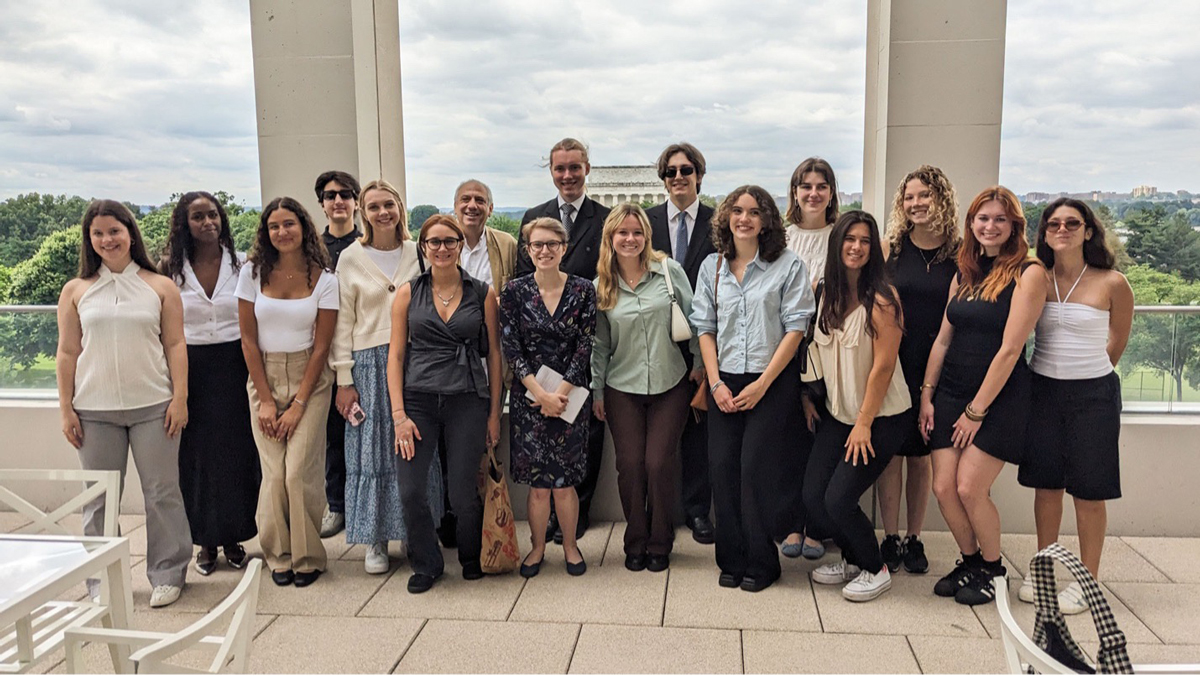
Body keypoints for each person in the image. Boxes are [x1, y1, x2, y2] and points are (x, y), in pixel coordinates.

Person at [56, 199, 192, 608]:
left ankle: (168, 573)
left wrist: (180, 398)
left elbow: (175, 344)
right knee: (98, 498)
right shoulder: (76, 291)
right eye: (97, 233)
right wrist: (66, 408)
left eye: (114, 230)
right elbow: (66, 352)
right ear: (89, 240)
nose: (106, 239)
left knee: (162, 492)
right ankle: (102, 581)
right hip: (94, 412)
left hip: (154, 405)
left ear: (130, 232)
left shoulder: (159, 286)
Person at [920, 186, 1047, 606]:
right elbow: (942, 340)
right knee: (943, 488)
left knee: (970, 487)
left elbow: (1011, 349)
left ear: (1013, 225)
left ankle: (993, 571)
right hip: (951, 392)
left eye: (999, 219)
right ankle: (971, 561)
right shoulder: (965, 272)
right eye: (982, 218)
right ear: (971, 224)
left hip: (999, 398)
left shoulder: (1029, 272)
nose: (989, 226)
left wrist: (976, 411)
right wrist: (927, 396)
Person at [691, 185, 815, 593]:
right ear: (727, 217)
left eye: (754, 212)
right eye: (737, 211)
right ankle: (731, 558)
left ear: (766, 221)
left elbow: (796, 327)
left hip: (771, 383)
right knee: (722, 469)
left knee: (755, 471)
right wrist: (714, 383)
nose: (744, 218)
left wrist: (764, 383)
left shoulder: (787, 266)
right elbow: (705, 329)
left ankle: (763, 561)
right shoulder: (712, 267)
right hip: (723, 380)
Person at [1016, 198, 1133, 614]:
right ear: (1043, 232)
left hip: (1093, 396)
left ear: (1088, 230)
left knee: (1089, 491)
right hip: (1043, 391)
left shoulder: (1112, 282)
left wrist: (1088, 376)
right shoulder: (1036, 278)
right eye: (1053, 223)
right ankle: (1044, 567)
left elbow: (1116, 342)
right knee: (1047, 486)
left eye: (1071, 223)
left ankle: (1087, 579)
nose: (1061, 229)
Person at [330, 179, 441, 575]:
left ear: (400, 208)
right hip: (366, 361)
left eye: (389, 205)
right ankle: (375, 538)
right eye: (374, 206)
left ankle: (414, 531)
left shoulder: (418, 252)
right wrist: (344, 378)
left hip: (415, 360)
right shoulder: (350, 257)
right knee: (370, 451)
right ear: (362, 211)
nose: (382, 213)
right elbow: (342, 320)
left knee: (415, 448)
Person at [387, 215, 503, 594]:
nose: (441, 248)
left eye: (449, 241)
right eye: (433, 242)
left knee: (462, 493)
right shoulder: (408, 292)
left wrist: (493, 414)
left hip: (467, 398)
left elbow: (495, 356)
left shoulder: (482, 293)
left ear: (459, 245)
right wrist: (399, 415)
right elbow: (396, 355)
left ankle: (470, 556)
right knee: (411, 489)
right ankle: (426, 563)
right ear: (423, 247)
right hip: (417, 400)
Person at [802, 211, 910, 603]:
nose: (857, 247)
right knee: (814, 496)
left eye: (865, 240)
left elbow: (883, 368)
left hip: (880, 417)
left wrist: (863, 423)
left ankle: (875, 567)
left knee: (839, 499)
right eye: (850, 239)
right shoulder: (823, 291)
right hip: (838, 413)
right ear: (837, 243)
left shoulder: (883, 299)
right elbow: (813, 350)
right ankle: (852, 558)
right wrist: (808, 399)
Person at [236, 197, 338, 588]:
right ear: (266, 232)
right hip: (263, 375)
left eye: (289, 224)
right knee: (274, 474)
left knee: (299, 473)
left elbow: (323, 346)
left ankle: (308, 555)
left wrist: (297, 404)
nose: (282, 232)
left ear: (304, 227)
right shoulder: (252, 274)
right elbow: (247, 339)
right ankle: (278, 554)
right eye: (274, 226)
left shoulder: (324, 279)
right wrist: (265, 398)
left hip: (309, 377)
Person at [161, 191, 259, 577]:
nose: (208, 223)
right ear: (185, 223)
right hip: (192, 367)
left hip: (235, 363)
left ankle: (235, 537)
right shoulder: (170, 270)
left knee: (236, 452)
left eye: (213, 215)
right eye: (198, 217)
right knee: (197, 458)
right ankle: (204, 541)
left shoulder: (244, 266)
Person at [517, 138, 610, 543]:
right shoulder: (534, 217)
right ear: (551, 172)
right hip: (539, 352)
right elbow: (523, 283)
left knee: (583, 434)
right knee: (544, 438)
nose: (568, 175)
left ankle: (578, 511)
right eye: (560, 168)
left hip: (583, 343)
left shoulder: (604, 218)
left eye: (575, 167)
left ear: (587, 168)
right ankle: (549, 517)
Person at [593, 204, 695, 572]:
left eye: (637, 232)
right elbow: (600, 344)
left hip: (671, 382)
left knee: (658, 463)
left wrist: (699, 368)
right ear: (611, 238)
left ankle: (660, 540)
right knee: (630, 465)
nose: (630, 239)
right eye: (623, 233)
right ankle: (635, 538)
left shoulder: (669, 272)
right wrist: (597, 391)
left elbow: (696, 319)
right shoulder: (601, 285)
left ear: (646, 237)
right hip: (622, 385)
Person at [501, 217, 596, 578]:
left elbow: (585, 344)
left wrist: (560, 394)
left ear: (563, 248)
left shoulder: (584, 290)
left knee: (566, 483)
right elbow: (512, 346)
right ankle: (537, 548)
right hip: (530, 400)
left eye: (551, 244)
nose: (544, 251)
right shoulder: (514, 292)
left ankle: (570, 546)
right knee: (540, 486)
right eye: (537, 245)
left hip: (570, 398)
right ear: (528, 250)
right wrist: (540, 394)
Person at [878, 166, 961, 575]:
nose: (916, 203)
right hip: (893, 362)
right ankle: (889, 537)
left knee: (923, 455)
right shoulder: (890, 248)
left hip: (941, 366)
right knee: (891, 452)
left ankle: (914, 538)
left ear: (941, 198)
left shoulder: (962, 253)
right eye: (909, 197)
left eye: (925, 195)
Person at [433, 178, 518, 548]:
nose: (472, 205)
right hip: (441, 365)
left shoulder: (506, 246)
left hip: (488, 361)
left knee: (483, 443)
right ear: (454, 207)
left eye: (479, 200)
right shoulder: (437, 245)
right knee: (445, 444)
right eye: (465, 199)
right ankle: (449, 519)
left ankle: (483, 525)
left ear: (490, 208)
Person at [646, 142, 716, 545]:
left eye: (685, 170)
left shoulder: (718, 221)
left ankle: (696, 510)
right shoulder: (648, 221)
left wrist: (706, 356)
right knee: (657, 437)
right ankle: (661, 510)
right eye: (670, 172)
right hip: (653, 346)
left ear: (699, 176)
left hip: (703, 345)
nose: (677, 178)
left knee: (698, 436)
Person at [779, 156, 840, 560]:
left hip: (833, 356)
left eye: (821, 186)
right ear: (795, 192)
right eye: (806, 186)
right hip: (788, 353)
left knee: (825, 441)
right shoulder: (780, 239)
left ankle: (818, 527)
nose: (813, 193)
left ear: (832, 193)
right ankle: (791, 524)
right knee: (789, 442)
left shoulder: (843, 235)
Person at [315, 170, 361, 539]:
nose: (338, 201)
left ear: (356, 201)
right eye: (331, 195)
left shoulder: (369, 244)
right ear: (322, 204)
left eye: (346, 194)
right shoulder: (311, 249)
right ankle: (337, 505)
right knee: (334, 434)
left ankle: (363, 503)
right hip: (324, 353)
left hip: (366, 349)